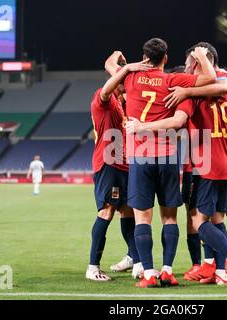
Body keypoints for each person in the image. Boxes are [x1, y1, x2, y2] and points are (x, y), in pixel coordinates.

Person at [126, 42, 227, 287]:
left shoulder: (195, 92)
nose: (185, 68)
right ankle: (219, 271)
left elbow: (178, 120)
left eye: (188, 63)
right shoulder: (225, 90)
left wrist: (185, 92)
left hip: (206, 164)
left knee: (197, 221)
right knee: (220, 218)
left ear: (198, 61)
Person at [108, 38, 217, 288]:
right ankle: (167, 271)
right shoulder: (173, 81)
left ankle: (148, 275)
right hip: (168, 157)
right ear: (166, 58)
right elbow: (211, 78)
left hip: (140, 157)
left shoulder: (131, 79)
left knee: (142, 219)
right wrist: (200, 55)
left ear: (144, 57)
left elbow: (109, 67)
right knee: (170, 219)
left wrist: (125, 64)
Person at [85, 56, 152, 282]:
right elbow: (110, 63)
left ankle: (135, 258)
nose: (129, 85)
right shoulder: (102, 98)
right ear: (117, 80)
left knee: (127, 210)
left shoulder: (122, 103)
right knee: (107, 211)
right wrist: (122, 62)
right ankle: (93, 266)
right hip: (108, 163)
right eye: (125, 81)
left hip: (124, 163)